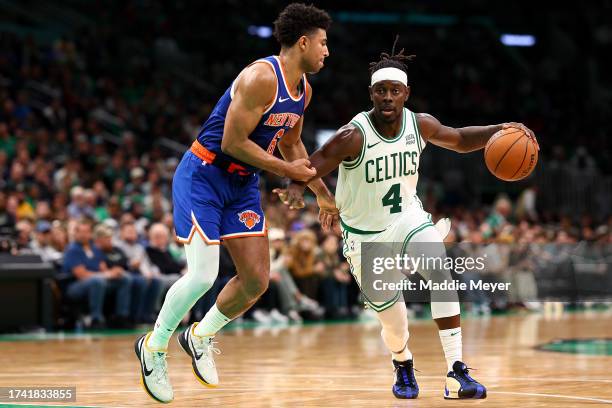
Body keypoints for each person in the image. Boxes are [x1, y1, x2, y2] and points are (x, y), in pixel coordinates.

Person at [275, 39, 538, 400]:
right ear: (371, 94)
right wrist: (294, 184)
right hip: (365, 235)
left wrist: (501, 129)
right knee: (393, 322)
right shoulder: (354, 135)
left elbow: (460, 139)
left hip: (407, 218)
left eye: (394, 91)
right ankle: (403, 362)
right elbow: (315, 161)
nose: (387, 97)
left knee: (439, 269)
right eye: (380, 91)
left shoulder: (420, 124)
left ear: (406, 93)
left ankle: (456, 372)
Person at [134, 3, 336, 403]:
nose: (327, 52)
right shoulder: (261, 77)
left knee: (257, 280)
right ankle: (154, 347)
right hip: (204, 176)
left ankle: (200, 335)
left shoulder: (303, 90)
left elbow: (293, 143)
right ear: (302, 41)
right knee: (202, 275)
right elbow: (233, 143)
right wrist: (289, 171)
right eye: (323, 43)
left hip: (242, 185)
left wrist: (322, 195)